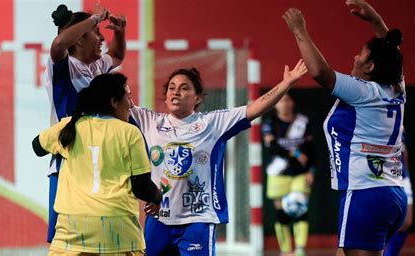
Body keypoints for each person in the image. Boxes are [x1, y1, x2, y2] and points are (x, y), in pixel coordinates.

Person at [129, 60, 307, 255]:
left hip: (198, 221)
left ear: (197, 98)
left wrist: (286, 83)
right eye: (171, 88)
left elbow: (256, 108)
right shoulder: (149, 121)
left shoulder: (212, 123)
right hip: (159, 219)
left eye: (183, 88)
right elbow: (116, 97)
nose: (175, 92)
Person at [283, 0, 406, 255]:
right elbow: (391, 54)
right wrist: (375, 20)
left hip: (365, 193)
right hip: (391, 194)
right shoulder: (396, 88)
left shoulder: (363, 92)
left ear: (370, 66)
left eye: (360, 54)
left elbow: (320, 73)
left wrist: (299, 30)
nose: (355, 56)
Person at [32, 73, 162, 255]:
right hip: (118, 229)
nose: (132, 104)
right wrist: (158, 197)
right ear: (114, 102)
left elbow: (36, 147)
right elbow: (141, 187)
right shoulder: (130, 133)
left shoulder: (70, 126)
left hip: (72, 228)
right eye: (128, 96)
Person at [45, 3, 126, 242]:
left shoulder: (97, 67)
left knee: (98, 235)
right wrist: (95, 18)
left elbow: (118, 55)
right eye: (97, 33)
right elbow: (59, 44)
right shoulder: (64, 66)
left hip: (98, 161)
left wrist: (120, 32)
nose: (102, 38)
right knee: (64, 239)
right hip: (68, 162)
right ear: (79, 39)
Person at [262, 93, 315, 256]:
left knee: (301, 209)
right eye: (281, 101)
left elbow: (312, 150)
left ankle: (300, 249)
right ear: (276, 105)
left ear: (292, 102)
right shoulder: (270, 123)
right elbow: (272, 147)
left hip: (300, 174)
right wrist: (296, 153)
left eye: (287, 100)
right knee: (282, 213)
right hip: (278, 174)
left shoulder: (303, 122)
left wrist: (312, 170)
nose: (284, 104)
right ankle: (285, 251)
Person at [384, 136, 413, 256]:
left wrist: (407, 175)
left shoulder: (400, 124)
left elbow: (404, 152)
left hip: (402, 175)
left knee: (406, 222)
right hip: (385, 175)